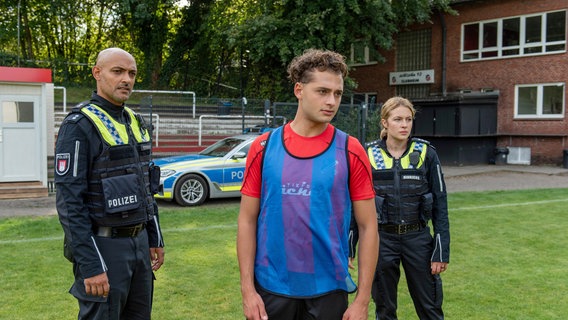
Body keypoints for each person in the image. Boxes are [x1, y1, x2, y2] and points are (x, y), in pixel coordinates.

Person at [236, 48, 379, 320]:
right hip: (271, 288)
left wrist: (362, 300)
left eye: (337, 93)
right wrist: (247, 291)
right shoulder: (263, 147)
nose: (332, 101)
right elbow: (246, 220)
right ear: (299, 90)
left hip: (329, 289)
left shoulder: (351, 149)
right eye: (323, 91)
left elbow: (368, 226)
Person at [55, 47, 165, 319]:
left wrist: (155, 237)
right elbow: (70, 203)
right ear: (97, 73)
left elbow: (146, 187)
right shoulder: (79, 125)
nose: (126, 79)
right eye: (117, 71)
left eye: (131, 73)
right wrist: (91, 265)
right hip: (103, 247)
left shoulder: (136, 122)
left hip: (139, 245)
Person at [350, 96, 450, 319]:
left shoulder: (427, 153)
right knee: (384, 308)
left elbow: (440, 204)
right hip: (381, 240)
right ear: (385, 122)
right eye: (397, 119)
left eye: (408, 119)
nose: (404, 124)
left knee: (430, 307)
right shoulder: (367, 154)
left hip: (418, 240)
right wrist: (350, 244)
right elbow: (355, 203)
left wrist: (441, 250)